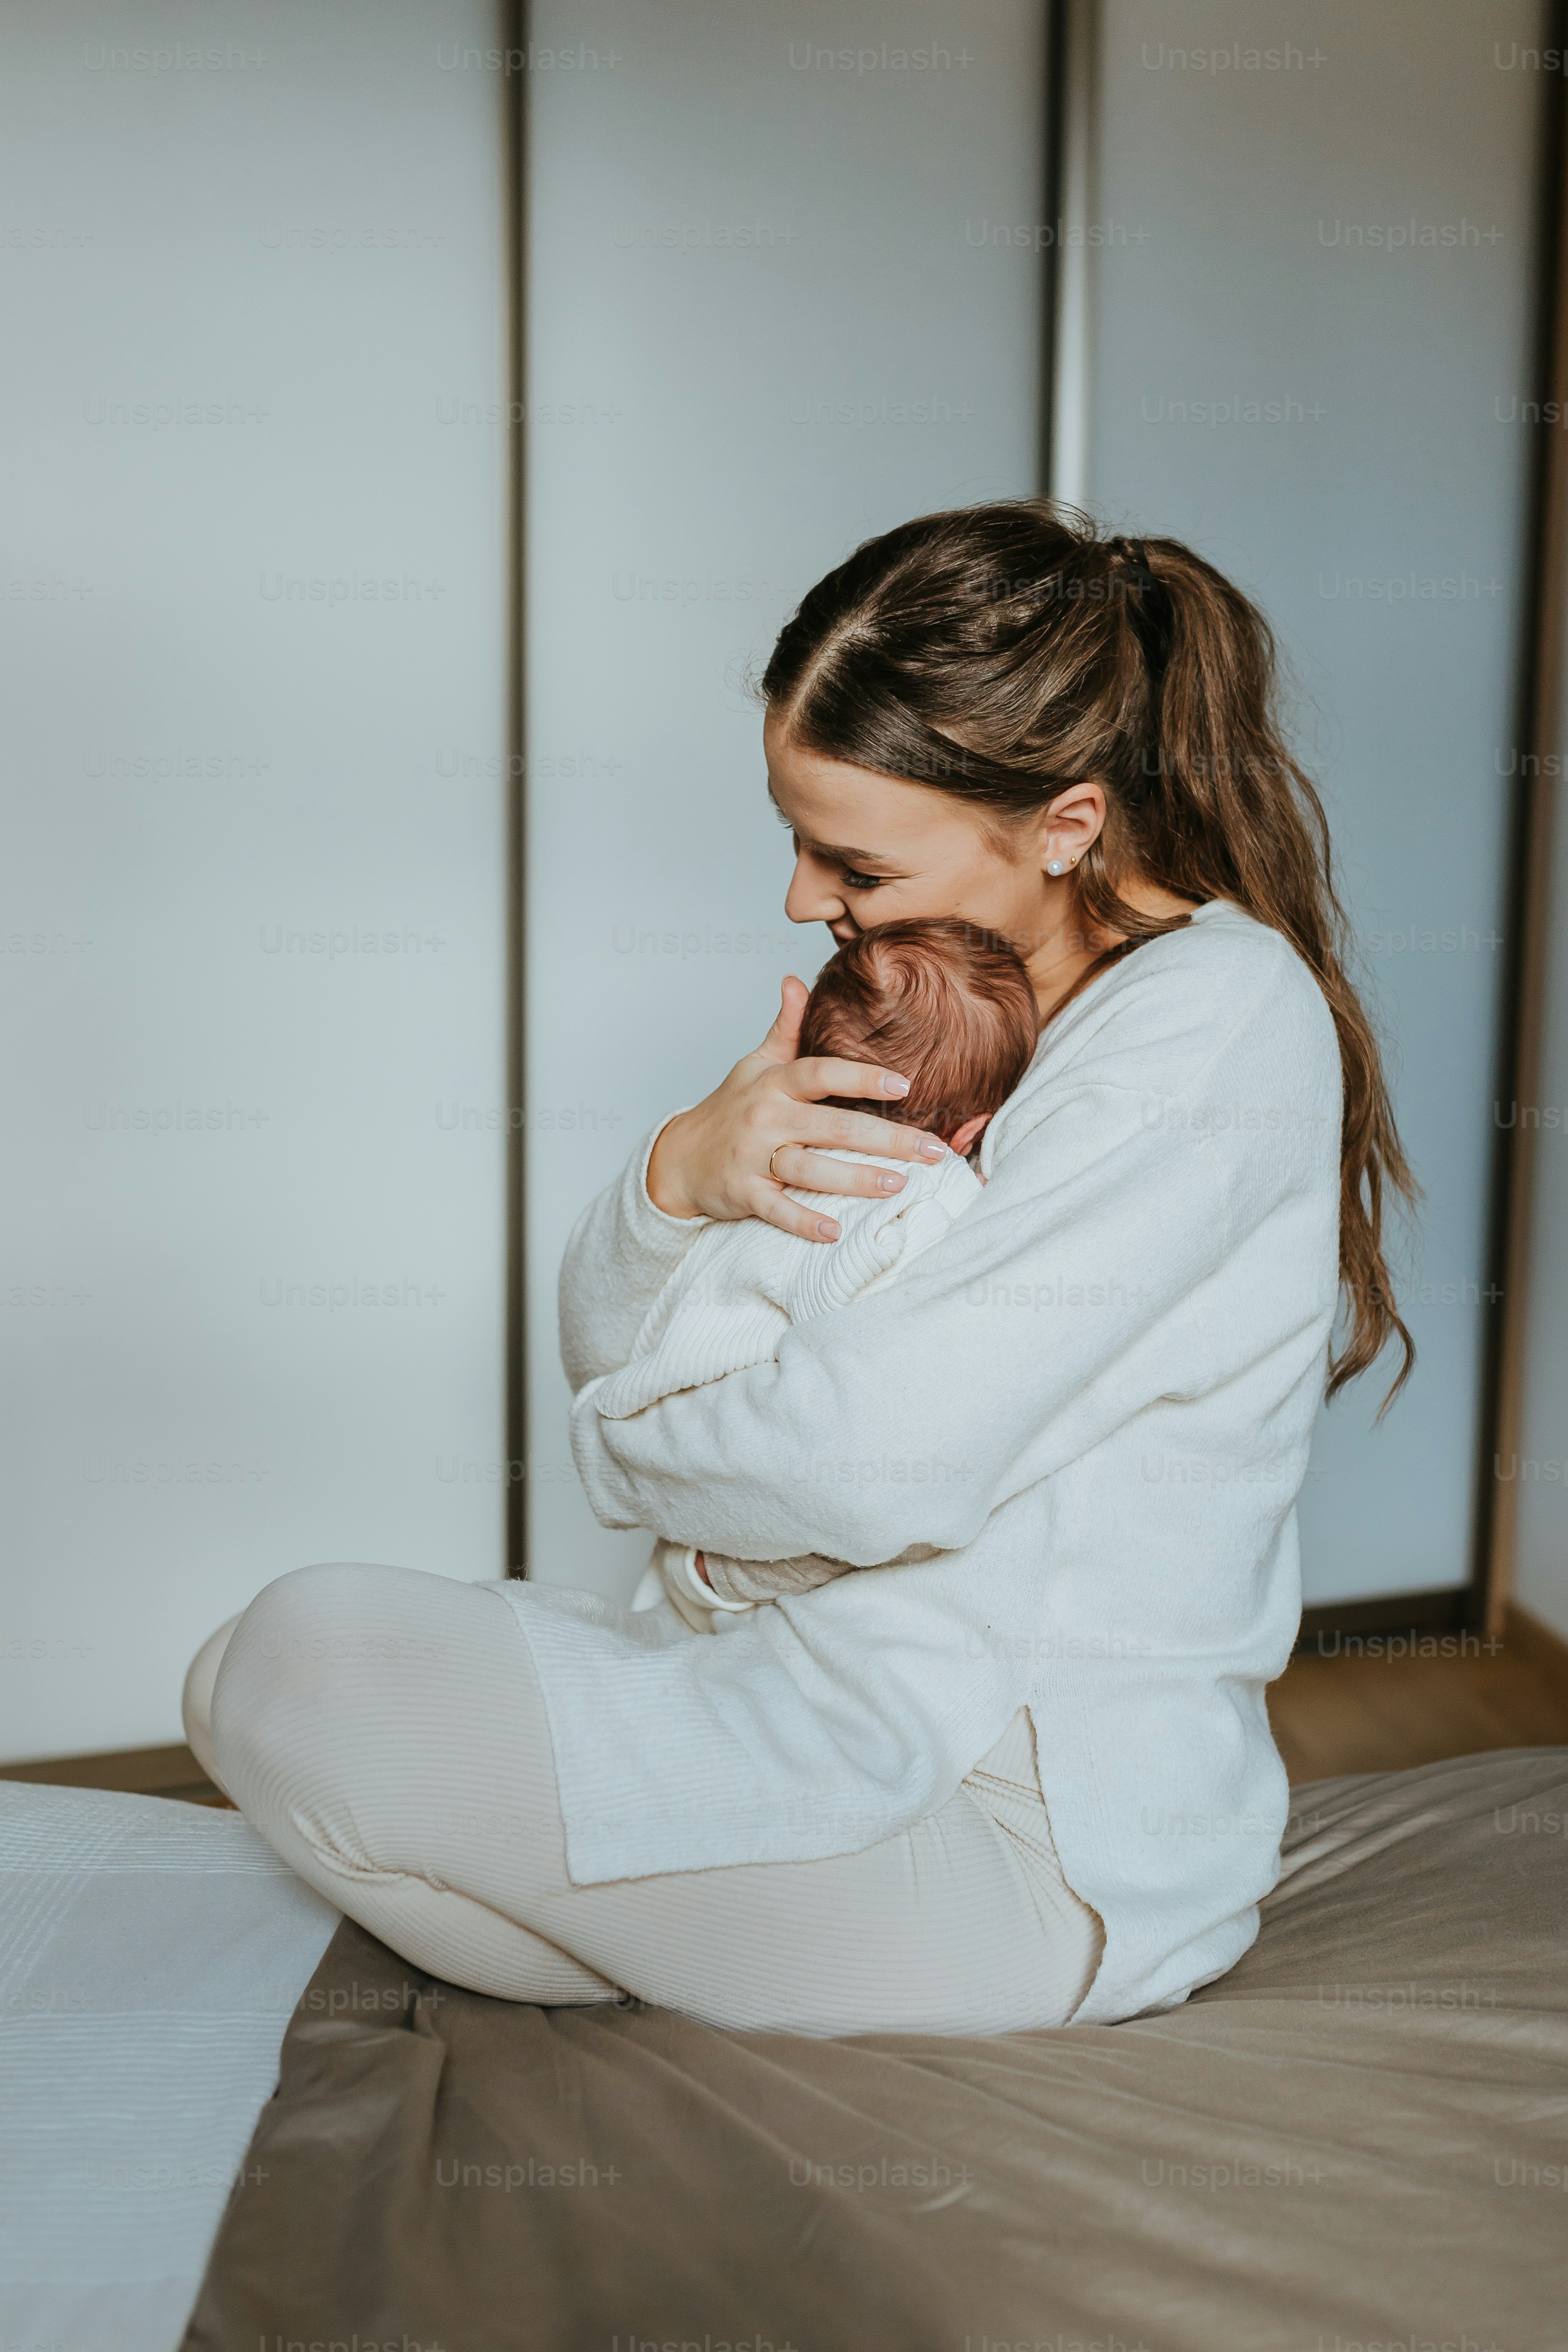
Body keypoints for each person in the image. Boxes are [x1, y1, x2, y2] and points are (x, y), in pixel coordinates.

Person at [194, 502, 1414, 2038]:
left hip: (1016, 1835)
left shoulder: (1213, 1025)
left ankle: (715, 1923)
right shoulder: (932, 1002)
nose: (796, 897)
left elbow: (866, 1461)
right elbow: (631, 1330)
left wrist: (625, 1453)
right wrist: (676, 1177)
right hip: (795, 1691)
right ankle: (693, 1930)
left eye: (845, 856)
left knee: (307, 1666)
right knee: (234, 1666)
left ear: (1065, 824)